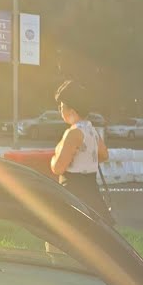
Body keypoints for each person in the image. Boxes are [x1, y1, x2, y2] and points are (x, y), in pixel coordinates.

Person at [50, 79, 112, 223]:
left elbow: (58, 168)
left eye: (61, 107)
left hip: (73, 191)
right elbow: (104, 155)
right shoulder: (92, 131)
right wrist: (86, 163)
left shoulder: (73, 133)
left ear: (71, 111)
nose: (60, 110)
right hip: (92, 190)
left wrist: (53, 158)